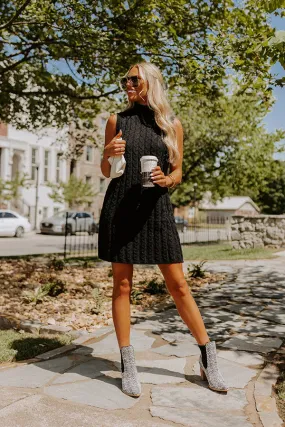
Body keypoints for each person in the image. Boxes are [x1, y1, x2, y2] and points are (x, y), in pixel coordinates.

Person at [99, 61, 228, 397]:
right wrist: (108, 152)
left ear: (151, 83)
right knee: (123, 286)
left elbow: (178, 171)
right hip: (121, 209)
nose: (127, 84)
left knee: (179, 285)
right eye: (124, 79)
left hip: (156, 210)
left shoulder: (171, 124)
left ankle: (207, 355)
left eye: (133, 79)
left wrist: (167, 179)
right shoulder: (117, 120)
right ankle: (128, 363)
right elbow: (106, 170)